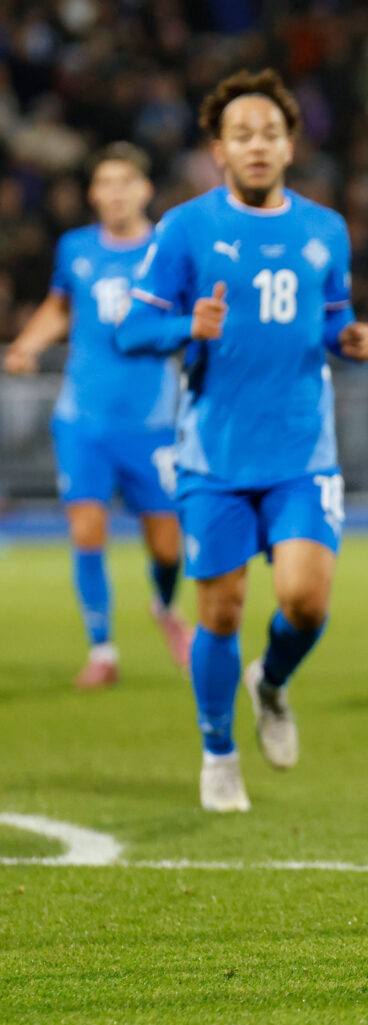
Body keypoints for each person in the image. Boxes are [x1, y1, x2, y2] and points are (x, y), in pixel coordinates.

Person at [117, 69, 368, 812]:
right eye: (242, 134)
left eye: (270, 132)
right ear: (218, 149)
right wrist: (182, 326)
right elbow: (131, 327)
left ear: (290, 145)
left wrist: (351, 337)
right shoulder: (185, 228)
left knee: (304, 603)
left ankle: (269, 682)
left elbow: (332, 320)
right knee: (222, 612)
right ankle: (217, 749)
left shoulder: (325, 228)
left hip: (302, 452)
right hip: (214, 458)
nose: (257, 145)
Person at [4, 142, 192, 689]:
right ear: (93, 194)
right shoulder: (77, 249)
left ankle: (164, 607)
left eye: (124, 183)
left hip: (153, 420)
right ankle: (102, 649)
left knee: (166, 543)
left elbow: (188, 318)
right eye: (104, 184)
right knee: (87, 529)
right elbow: (61, 307)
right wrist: (28, 344)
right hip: (83, 417)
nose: (114, 194)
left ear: (144, 190)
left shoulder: (168, 249)